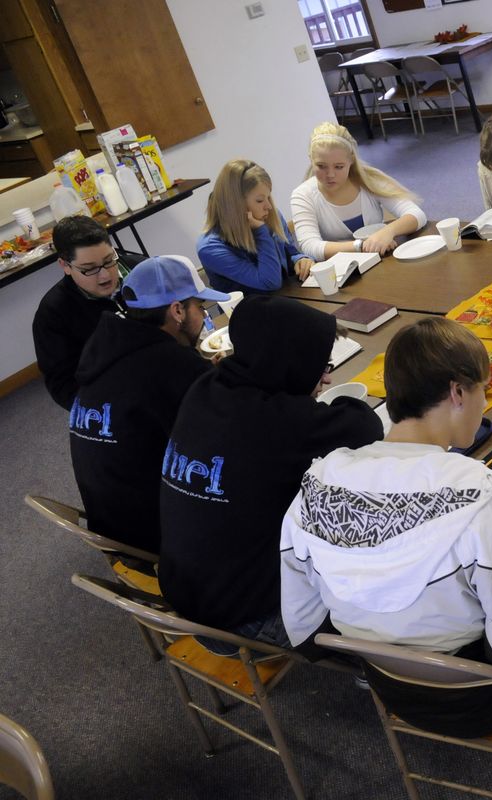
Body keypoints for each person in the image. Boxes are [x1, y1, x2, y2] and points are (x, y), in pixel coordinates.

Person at [279, 318, 492, 737]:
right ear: (458, 392)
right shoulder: (478, 497)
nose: (485, 403)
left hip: (388, 689)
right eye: (483, 390)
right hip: (478, 695)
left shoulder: (317, 485)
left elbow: (303, 624)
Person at [158, 295, 382, 648]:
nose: (326, 378)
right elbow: (365, 425)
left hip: (189, 594)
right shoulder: (274, 421)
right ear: (289, 362)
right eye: (322, 365)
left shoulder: (206, 387)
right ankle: (367, 661)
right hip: (243, 623)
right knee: (384, 574)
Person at [70, 257, 225, 556]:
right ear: (177, 310)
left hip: (113, 528)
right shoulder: (172, 367)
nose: (203, 317)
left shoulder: (107, 350)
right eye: (201, 308)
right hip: (161, 539)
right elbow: (231, 429)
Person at [32, 216, 145, 410]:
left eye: (109, 260)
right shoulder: (53, 314)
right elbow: (63, 385)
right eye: (89, 269)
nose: (105, 275)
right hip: (117, 399)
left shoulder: (141, 270)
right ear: (65, 266)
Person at [290, 122, 427, 260]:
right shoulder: (302, 195)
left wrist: (388, 231)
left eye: (339, 167)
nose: (330, 174)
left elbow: (417, 214)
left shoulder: (368, 180)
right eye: (321, 166)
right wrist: (361, 246)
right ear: (311, 160)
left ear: (351, 161)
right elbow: (309, 246)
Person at [197, 159, 314, 293]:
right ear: (236, 204)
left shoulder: (269, 214)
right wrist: (261, 231)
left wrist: (301, 260)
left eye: (268, 197)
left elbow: (290, 253)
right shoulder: (210, 248)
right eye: (260, 200)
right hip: (250, 310)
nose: (269, 206)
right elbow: (269, 282)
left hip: (288, 298)